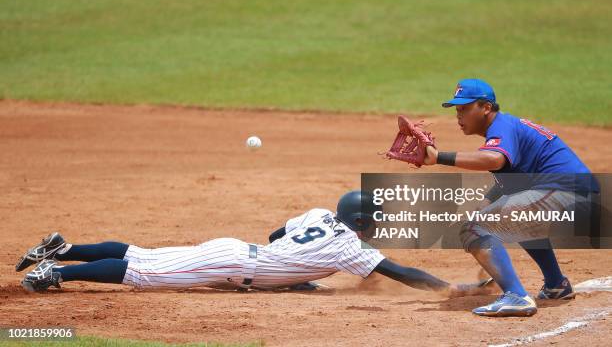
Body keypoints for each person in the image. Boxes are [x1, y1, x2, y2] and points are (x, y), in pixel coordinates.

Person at [17, 191, 491, 297]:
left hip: (236, 250)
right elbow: (401, 273)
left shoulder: (320, 215)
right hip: (231, 263)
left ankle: (64, 247)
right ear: (363, 223)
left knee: (142, 253)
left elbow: (276, 239)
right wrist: (449, 288)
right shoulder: (350, 247)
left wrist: (295, 275)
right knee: (143, 273)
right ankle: (57, 273)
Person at [416, 78, 598, 317]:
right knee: (515, 218)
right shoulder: (505, 127)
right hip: (578, 197)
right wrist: (482, 207)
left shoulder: (502, 128)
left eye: (465, 109)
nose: (459, 116)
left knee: (474, 228)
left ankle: (516, 296)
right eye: (457, 110)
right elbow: (509, 184)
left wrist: (439, 157)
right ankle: (556, 285)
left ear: (486, 108)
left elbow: (494, 160)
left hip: (568, 195)